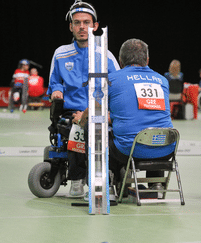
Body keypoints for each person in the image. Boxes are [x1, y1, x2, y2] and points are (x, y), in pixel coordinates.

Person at [78, 38, 174, 199]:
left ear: (120, 61)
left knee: (92, 125)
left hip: (130, 150)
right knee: (154, 127)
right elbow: (143, 113)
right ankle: (156, 184)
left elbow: (94, 111)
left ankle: (104, 183)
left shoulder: (111, 80)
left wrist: (81, 119)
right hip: (166, 149)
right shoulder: (162, 80)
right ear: (147, 60)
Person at [47, 0, 120, 197]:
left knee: (108, 130)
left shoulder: (106, 55)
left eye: (86, 22)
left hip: (99, 109)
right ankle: (77, 179)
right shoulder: (60, 54)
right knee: (77, 128)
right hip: (72, 111)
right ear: (71, 26)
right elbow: (54, 81)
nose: (82, 27)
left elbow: (119, 86)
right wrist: (56, 91)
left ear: (95, 26)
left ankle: (107, 179)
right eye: (77, 22)